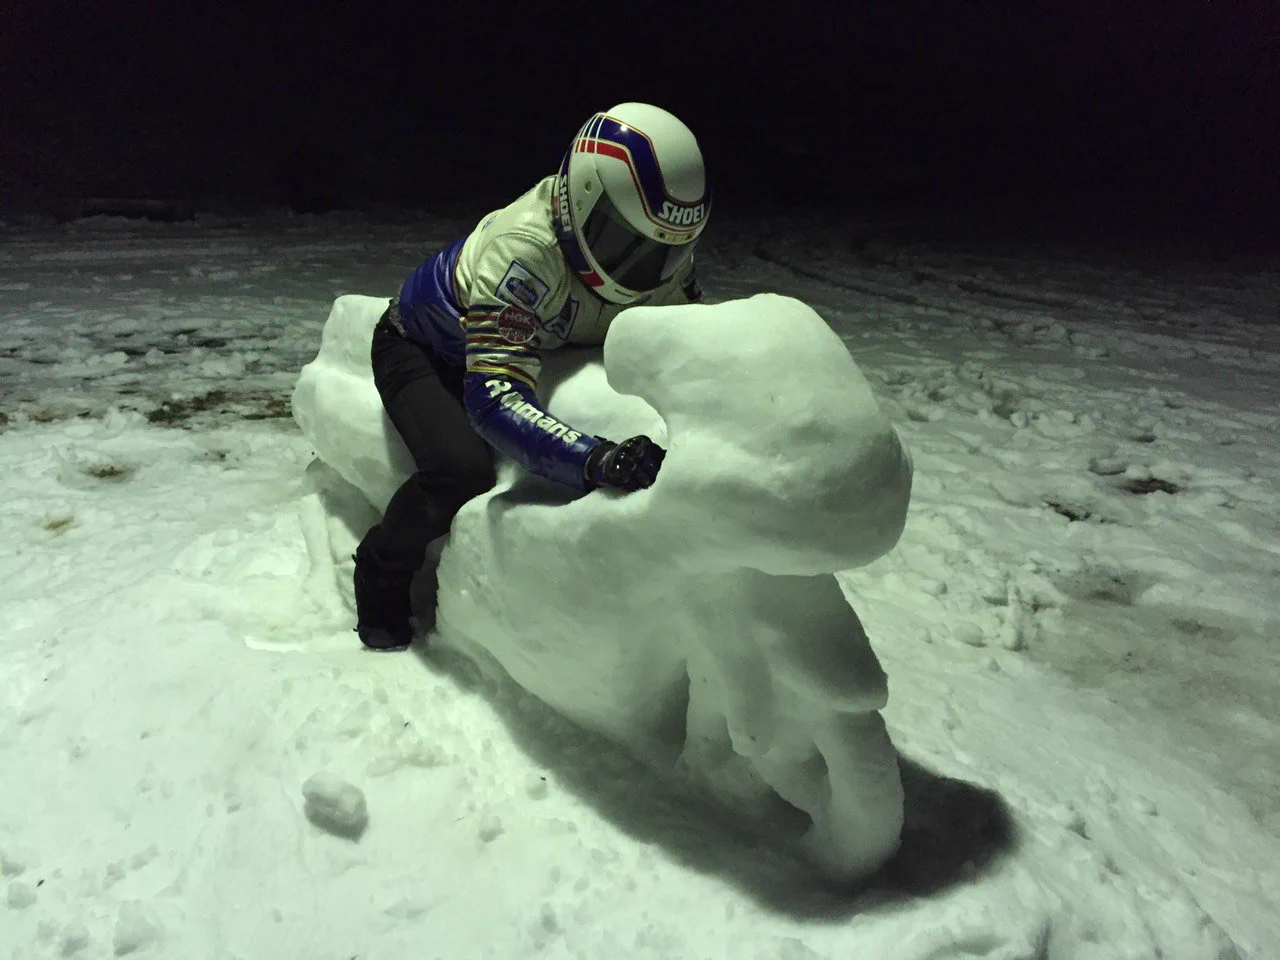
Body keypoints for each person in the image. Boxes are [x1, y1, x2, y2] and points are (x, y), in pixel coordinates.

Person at [354, 102, 710, 650]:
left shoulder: (663, 256)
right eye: (625, 243)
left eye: (663, 254)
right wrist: (596, 460)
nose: (645, 270)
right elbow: (493, 399)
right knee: (459, 470)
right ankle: (379, 573)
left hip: (526, 342)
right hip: (422, 347)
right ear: (581, 204)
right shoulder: (524, 251)